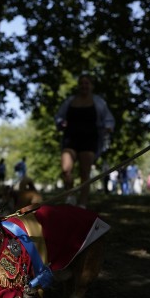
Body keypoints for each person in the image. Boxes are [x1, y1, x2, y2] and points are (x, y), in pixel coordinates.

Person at [55, 74, 115, 208]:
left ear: (91, 86)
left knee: (84, 173)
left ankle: (83, 203)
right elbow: (59, 117)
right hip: (70, 138)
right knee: (66, 169)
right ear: (78, 86)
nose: (84, 86)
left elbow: (108, 118)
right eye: (81, 83)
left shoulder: (98, 102)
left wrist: (108, 128)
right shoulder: (70, 101)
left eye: (87, 83)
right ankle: (70, 196)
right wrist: (61, 124)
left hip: (89, 139)